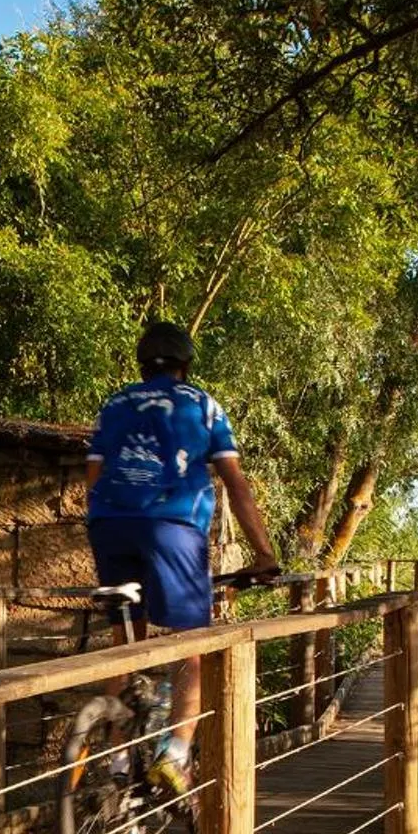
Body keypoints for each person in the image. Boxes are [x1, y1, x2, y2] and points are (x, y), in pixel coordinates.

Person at [83, 320, 281, 794]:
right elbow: (235, 484)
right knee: (192, 647)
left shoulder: (114, 405)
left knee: (124, 644)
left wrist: (111, 523)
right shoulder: (203, 406)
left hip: (108, 526)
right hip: (173, 528)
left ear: (141, 364)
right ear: (185, 366)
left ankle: (115, 762)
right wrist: (264, 553)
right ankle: (175, 755)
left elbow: (93, 476)